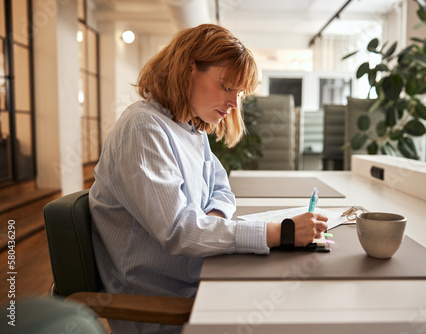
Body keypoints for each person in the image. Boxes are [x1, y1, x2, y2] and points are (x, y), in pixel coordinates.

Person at [89, 23, 328, 334]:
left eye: (238, 93)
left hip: (199, 279)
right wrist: (281, 232)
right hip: (165, 306)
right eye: (226, 87)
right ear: (189, 68)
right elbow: (180, 232)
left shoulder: (190, 128)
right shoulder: (144, 129)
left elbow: (221, 188)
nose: (233, 104)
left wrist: (211, 224)